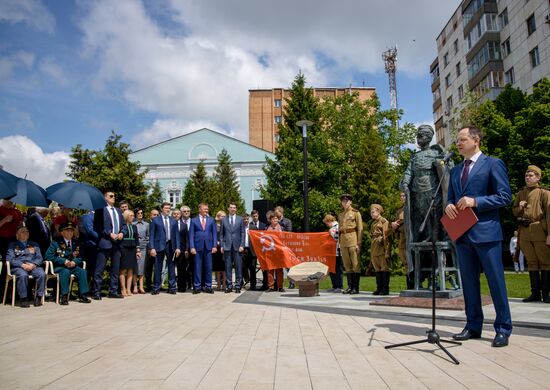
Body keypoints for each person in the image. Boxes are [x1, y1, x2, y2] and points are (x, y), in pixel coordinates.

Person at [445, 126, 512, 347]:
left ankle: (503, 328)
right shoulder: (455, 170)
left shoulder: (493, 164)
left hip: (487, 233)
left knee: (495, 282)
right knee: (469, 284)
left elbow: (504, 196)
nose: (458, 143)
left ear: (476, 140)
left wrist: (477, 201)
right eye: (457, 141)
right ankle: (473, 325)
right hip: (462, 235)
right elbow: (450, 198)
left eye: (462, 139)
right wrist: (448, 207)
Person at [512, 165, 550, 303]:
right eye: (526, 175)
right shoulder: (521, 193)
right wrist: (519, 207)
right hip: (525, 230)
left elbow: (549, 214)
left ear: (538, 177)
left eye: (531, 175)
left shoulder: (544, 193)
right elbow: (514, 212)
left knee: (545, 262)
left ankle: (546, 293)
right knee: (532, 262)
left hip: (539, 229)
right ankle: (535, 293)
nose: (528, 177)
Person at [92, 191, 127, 300]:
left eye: (114, 196)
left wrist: (122, 233)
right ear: (105, 198)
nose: (113, 197)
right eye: (111, 196)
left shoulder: (118, 210)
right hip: (105, 242)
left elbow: (124, 225)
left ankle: (113, 291)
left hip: (117, 243)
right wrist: (109, 233)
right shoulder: (100, 210)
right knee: (100, 268)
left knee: (115, 268)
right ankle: (96, 291)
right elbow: (97, 226)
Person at [45, 222, 91, 305]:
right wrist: (63, 261)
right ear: (62, 233)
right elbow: (48, 256)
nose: (70, 233)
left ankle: (82, 295)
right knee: (65, 272)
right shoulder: (56, 243)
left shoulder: (76, 243)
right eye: (67, 231)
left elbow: (82, 256)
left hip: (72, 266)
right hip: (60, 267)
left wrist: (75, 261)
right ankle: (64, 296)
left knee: (82, 271)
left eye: (71, 231)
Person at [6, 226, 45, 307]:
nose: (26, 233)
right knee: (23, 275)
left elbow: (39, 257)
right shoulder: (12, 245)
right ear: (17, 235)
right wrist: (22, 264)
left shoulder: (34, 244)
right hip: (19, 267)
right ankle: (23, 299)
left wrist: (33, 264)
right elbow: (10, 259)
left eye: (27, 231)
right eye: (23, 231)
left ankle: (38, 297)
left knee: (41, 274)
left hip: (33, 266)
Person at [149, 202, 181, 295]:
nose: (168, 210)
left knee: (171, 266)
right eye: (166, 208)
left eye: (169, 208)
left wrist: (178, 247)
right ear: (162, 209)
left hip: (171, 245)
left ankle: (172, 287)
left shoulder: (173, 221)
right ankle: (156, 287)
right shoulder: (156, 220)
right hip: (159, 246)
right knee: (158, 266)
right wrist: (152, 248)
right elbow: (151, 235)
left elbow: (176, 235)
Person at [189, 203, 217, 294]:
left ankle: (208, 286)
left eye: (207, 209)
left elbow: (214, 234)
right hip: (197, 247)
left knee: (208, 267)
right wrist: (192, 247)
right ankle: (197, 286)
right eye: (205, 209)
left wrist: (214, 246)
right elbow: (191, 235)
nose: (206, 210)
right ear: (199, 209)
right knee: (197, 267)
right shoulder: (193, 220)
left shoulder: (211, 220)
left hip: (208, 247)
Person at [338, 194, 363, 295]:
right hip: (343, 241)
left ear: (350, 202)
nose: (345, 203)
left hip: (353, 239)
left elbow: (360, 228)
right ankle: (350, 286)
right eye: (343, 201)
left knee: (355, 264)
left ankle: (355, 288)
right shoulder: (341, 214)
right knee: (347, 265)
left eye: (347, 201)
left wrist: (359, 243)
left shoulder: (356, 213)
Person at [390, 192, 413, 289]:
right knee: (405, 263)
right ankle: (409, 285)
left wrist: (399, 223)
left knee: (411, 262)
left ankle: (413, 284)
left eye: (404, 195)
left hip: (411, 239)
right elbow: (395, 226)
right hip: (402, 239)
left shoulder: (412, 208)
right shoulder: (399, 211)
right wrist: (394, 225)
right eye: (401, 196)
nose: (402, 197)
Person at [220, 202, 245, 293]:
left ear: (236, 209)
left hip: (237, 247)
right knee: (228, 267)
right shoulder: (224, 220)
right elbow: (222, 234)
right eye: (231, 207)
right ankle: (229, 286)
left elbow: (243, 233)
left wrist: (242, 245)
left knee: (238, 267)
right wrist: (222, 245)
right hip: (227, 246)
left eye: (234, 207)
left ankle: (238, 286)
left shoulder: (240, 219)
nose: (232, 209)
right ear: (228, 209)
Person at [369, 204, 391, 295]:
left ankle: (385, 289)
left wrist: (387, 250)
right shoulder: (373, 223)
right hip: (374, 246)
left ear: (378, 211)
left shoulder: (384, 221)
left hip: (381, 247)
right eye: (371, 212)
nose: (371, 214)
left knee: (384, 267)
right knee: (377, 268)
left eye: (373, 212)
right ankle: (379, 288)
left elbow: (386, 236)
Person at [120, 210, 140, 296]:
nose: (133, 217)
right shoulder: (122, 227)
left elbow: (136, 239)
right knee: (123, 269)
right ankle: (123, 288)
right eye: (131, 215)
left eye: (133, 216)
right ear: (126, 216)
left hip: (132, 249)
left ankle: (128, 289)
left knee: (131, 269)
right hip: (124, 248)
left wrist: (138, 250)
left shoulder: (134, 227)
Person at [323, 214, 343, 292]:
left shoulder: (337, 226)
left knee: (338, 269)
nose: (326, 225)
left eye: (326, 223)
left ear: (329, 221)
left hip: (338, 250)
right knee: (332, 268)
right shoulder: (332, 228)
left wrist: (331, 233)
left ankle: (339, 286)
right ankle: (334, 285)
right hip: (331, 252)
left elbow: (337, 237)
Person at [266, 212, 285, 292]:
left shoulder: (281, 228)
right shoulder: (267, 229)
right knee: (270, 269)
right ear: (270, 220)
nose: (275, 220)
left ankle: (280, 286)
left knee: (279, 270)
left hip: (279, 252)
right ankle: (271, 286)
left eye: (276, 219)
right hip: (270, 252)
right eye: (273, 219)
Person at [249, 210, 267, 290]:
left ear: (258, 215)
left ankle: (265, 284)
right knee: (252, 267)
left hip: (262, 249)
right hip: (253, 250)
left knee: (264, 267)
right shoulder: (249, 226)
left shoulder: (263, 225)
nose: (255, 218)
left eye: (256, 216)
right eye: (253, 216)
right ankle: (253, 285)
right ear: (251, 217)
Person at [133, 208, 149, 294]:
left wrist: (147, 244)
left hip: (143, 248)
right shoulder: (132, 224)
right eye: (138, 213)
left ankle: (141, 287)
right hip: (134, 248)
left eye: (141, 213)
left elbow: (148, 236)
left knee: (142, 267)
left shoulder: (146, 224)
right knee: (135, 267)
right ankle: (135, 286)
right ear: (135, 214)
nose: (140, 214)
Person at [174, 208, 189, 293]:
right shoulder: (170, 224)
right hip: (172, 249)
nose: (176, 215)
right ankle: (172, 286)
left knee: (182, 269)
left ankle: (182, 287)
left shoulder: (184, 225)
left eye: (178, 214)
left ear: (180, 215)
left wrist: (187, 249)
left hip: (183, 250)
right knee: (171, 268)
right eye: (174, 214)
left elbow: (187, 238)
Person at [241, 213, 257, 290]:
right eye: (244, 219)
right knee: (242, 267)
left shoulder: (253, 227)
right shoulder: (239, 227)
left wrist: (251, 235)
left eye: (247, 219)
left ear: (249, 219)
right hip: (243, 250)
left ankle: (253, 285)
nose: (245, 221)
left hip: (252, 250)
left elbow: (257, 239)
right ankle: (245, 280)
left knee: (252, 268)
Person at [145, 208, 159, 292]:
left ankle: (157, 285)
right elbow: (148, 237)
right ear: (150, 215)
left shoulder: (159, 223)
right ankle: (148, 285)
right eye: (154, 215)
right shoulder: (148, 224)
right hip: (149, 249)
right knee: (149, 268)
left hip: (158, 249)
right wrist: (150, 248)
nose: (156, 216)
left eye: (157, 215)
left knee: (157, 268)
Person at [180, 205, 194, 291]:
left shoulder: (194, 222)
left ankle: (192, 283)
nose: (186, 213)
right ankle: (183, 285)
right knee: (182, 267)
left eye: (188, 211)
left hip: (193, 248)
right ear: (181, 213)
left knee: (193, 267)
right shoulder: (178, 222)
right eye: (184, 211)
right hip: (182, 248)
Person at [212, 211, 226, 291]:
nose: (223, 218)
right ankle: (218, 284)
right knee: (217, 267)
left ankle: (224, 284)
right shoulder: (214, 225)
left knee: (224, 268)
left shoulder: (225, 225)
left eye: (224, 216)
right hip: (216, 248)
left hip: (224, 248)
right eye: (221, 216)